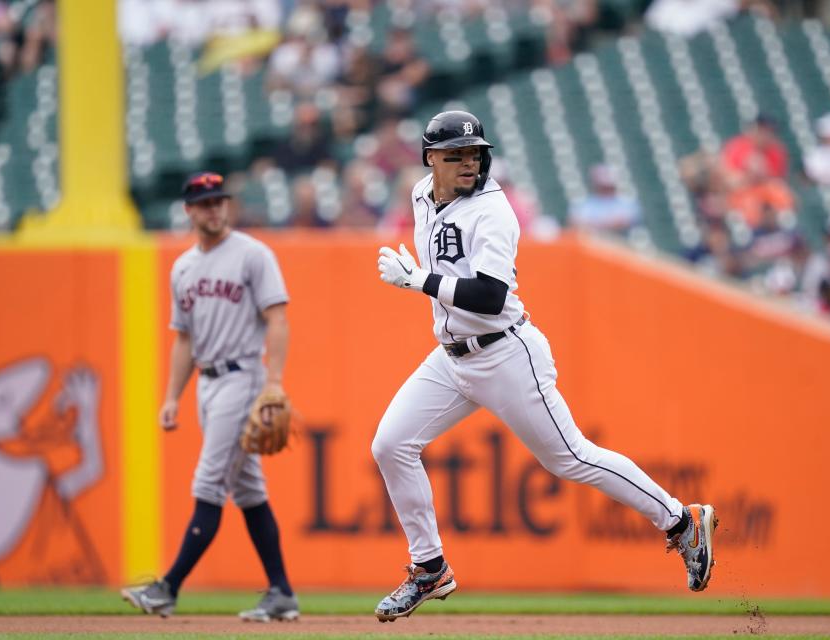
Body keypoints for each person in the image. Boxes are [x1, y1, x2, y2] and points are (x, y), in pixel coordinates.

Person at [371, 111, 718, 623]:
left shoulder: (493, 212)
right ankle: (430, 567)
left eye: (475, 153)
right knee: (390, 444)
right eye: (456, 155)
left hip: (505, 353)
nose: (469, 162)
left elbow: (489, 297)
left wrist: (418, 280)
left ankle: (680, 523)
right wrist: (424, 280)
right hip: (450, 357)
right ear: (431, 159)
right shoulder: (424, 192)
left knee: (570, 458)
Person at [121, 172, 298, 622]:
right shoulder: (182, 268)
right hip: (206, 383)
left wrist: (273, 381)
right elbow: (183, 339)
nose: (214, 209)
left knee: (209, 482)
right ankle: (281, 592)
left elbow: (277, 318)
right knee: (248, 489)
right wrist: (171, 397)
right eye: (204, 203)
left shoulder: (253, 254)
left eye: (219, 201)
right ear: (189, 210)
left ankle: (167, 587)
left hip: (243, 379)